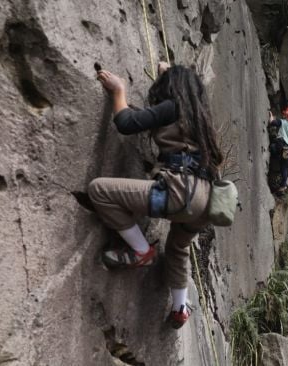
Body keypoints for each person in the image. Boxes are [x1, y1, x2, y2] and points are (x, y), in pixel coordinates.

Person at [89, 62, 222, 329]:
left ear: (172, 88)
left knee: (99, 190)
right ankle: (180, 308)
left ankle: (141, 251)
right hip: (207, 203)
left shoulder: (172, 107)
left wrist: (118, 91)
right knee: (177, 249)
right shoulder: (200, 120)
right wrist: (168, 71)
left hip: (179, 192)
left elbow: (127, 123)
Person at [268, 107, 288, 195]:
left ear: (287, 116)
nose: (284, 114)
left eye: (285, 114)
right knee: (284, 167)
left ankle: (276, 157)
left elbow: (272, 122)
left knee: (272, 147)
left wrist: (271, 116)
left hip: (281, 146)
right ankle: (283, 185)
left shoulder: (282, 122)